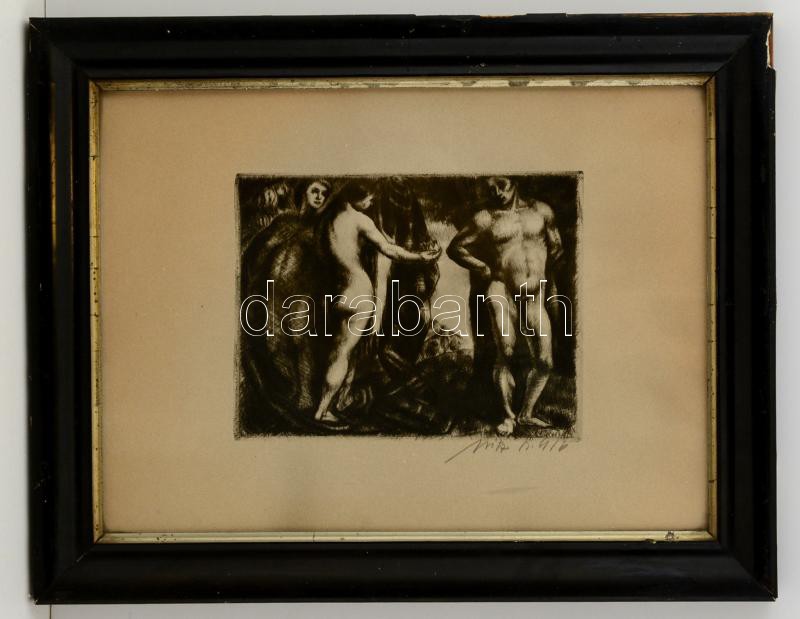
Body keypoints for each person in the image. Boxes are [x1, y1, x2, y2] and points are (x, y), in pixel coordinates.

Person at [313, 182, 441, 424]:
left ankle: (340, 402)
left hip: (336, 293)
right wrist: (420, 257)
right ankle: (322, 410)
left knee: (340, 352)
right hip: (358, 291)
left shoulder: (326, 221)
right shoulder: (360, 220)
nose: (371, 203)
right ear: (355, 199)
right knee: (344, 354)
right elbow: (389, 249)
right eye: (368, 199)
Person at [447, 176, 564, 436]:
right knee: (506, 352)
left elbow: (557, 247)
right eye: (491, 189)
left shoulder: (541, 211)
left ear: (514, 184)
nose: (498, 193)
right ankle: (508, 416)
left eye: (502, 186)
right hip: (502, 290)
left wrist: (539, 276)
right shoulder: (485, 218)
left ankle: (527, 413)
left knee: (545, 360)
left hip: (533, 296)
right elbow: (455, 248)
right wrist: (482, 267)